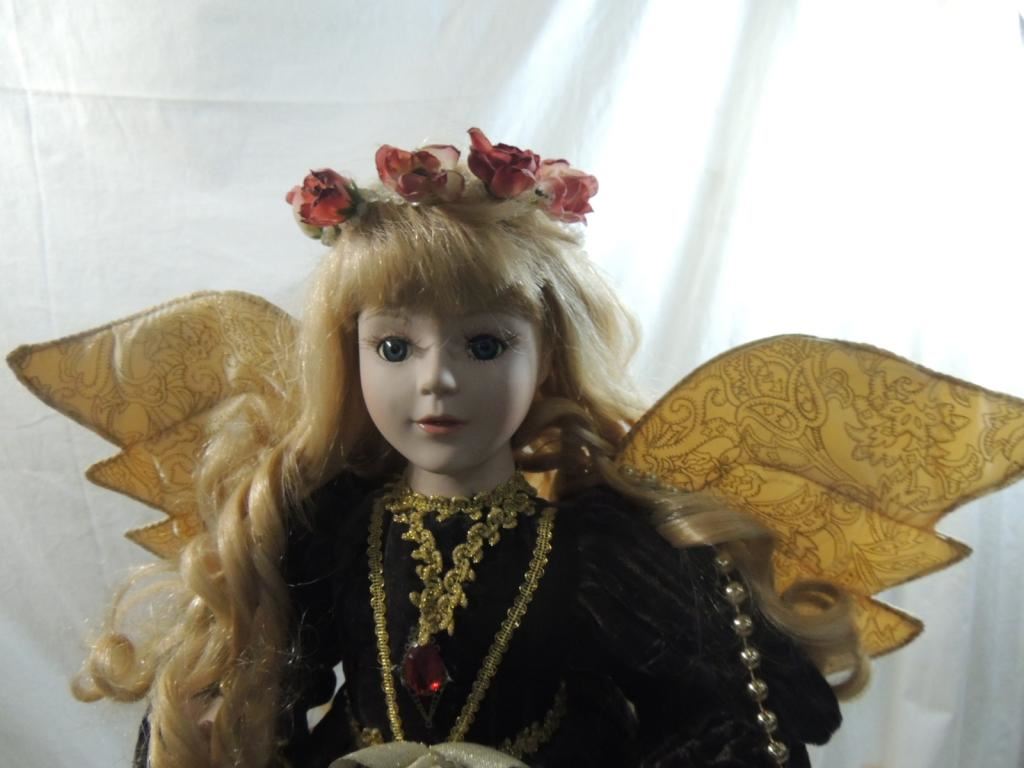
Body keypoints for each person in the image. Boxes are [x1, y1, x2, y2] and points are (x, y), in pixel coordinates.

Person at [33, 129, 864, 767]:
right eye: (395, 348)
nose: (437, 381)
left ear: (547, 357)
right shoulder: (325, 526)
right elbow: (262, 690)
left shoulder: (600, 548)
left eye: (485, 345)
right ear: (349, 356)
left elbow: (723, 719)